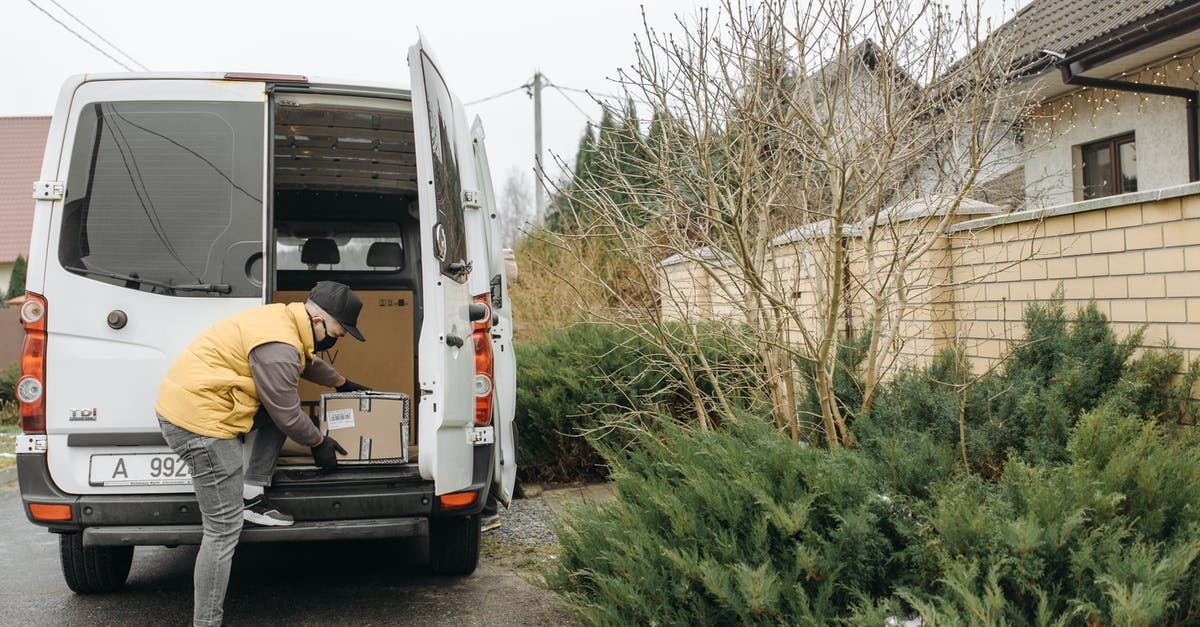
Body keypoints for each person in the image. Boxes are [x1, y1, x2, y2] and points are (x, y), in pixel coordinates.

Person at [155, 281, 370, 627]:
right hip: (200, 423)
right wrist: (319, 443)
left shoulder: (286, 320)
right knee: (223, 529)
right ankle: (206, 623)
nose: (338, 338)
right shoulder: (280, 345)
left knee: (276, 411)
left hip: (205, 402)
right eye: (338, 331)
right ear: (319, 319)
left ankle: (251, 495)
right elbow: (287, 413)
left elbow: (306, 363)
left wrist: (342, 383)